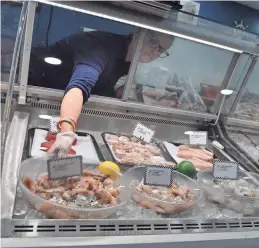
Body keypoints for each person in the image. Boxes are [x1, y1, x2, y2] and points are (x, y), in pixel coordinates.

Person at [28, 29, 174, 155]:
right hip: (35, 94)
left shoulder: (130, 58)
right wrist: (66, 133)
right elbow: (80, 86)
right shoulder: (99, 48)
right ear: (138, 33)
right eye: (153, 42)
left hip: (65, 100)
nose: (155, 52)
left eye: (161, 50)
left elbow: (103, 82)